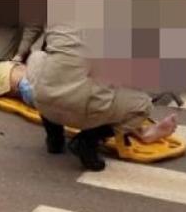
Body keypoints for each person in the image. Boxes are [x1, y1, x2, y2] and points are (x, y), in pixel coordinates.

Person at [25, 24, 177, 171]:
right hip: (85, 108)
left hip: (44, 101)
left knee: (38, 58)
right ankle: (88, 140)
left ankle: (54, 138)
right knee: (142, 105)